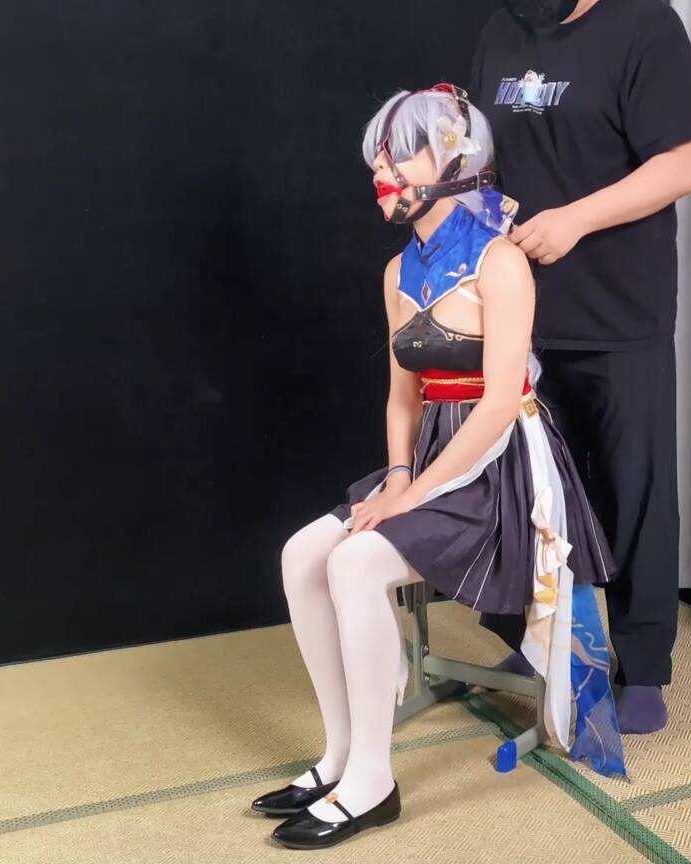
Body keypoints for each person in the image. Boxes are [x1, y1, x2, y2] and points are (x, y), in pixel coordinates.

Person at [253, 85, 626, 852]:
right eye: (378, 158)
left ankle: (371, 783)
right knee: (301, 554)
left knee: (355, 564)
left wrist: (415, 493)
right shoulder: (398, 271)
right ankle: (337, 757)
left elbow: (498, 404)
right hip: (425, 463)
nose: (381, 172)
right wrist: (397, 478)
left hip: (500, 475)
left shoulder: (501, 262)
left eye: (399, 155)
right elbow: (403, 398)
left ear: (454, 159)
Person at [471, 0, 691, 735]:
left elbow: (682, 164)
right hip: (521, 306)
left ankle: (643, 666)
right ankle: (545, 643)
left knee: (634, 491)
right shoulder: (503, 27)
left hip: (619, 307)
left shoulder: (645, 26)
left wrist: (574, 219)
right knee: (532, 490)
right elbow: (483, 155)